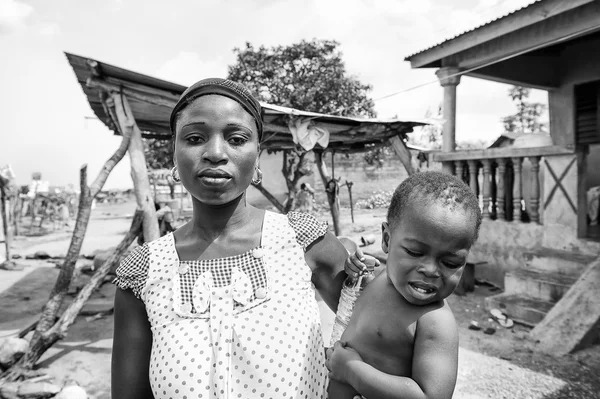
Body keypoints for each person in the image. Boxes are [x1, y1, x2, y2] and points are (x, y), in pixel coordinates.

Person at [111, 78, 368, 399]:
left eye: (236, 138)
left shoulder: (302, 240)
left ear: (257, 156)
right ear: (174, 154)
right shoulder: (143, 270)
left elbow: (383, 324)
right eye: (194, 138)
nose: (216, 153)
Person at [326, 171, 482, 399]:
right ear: (387, 240)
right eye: (414, 252)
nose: (430, 270)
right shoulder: (381, 278)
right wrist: (356, 272)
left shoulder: (435, 321)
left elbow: (430, 396)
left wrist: (351, 370)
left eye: (450, 263)